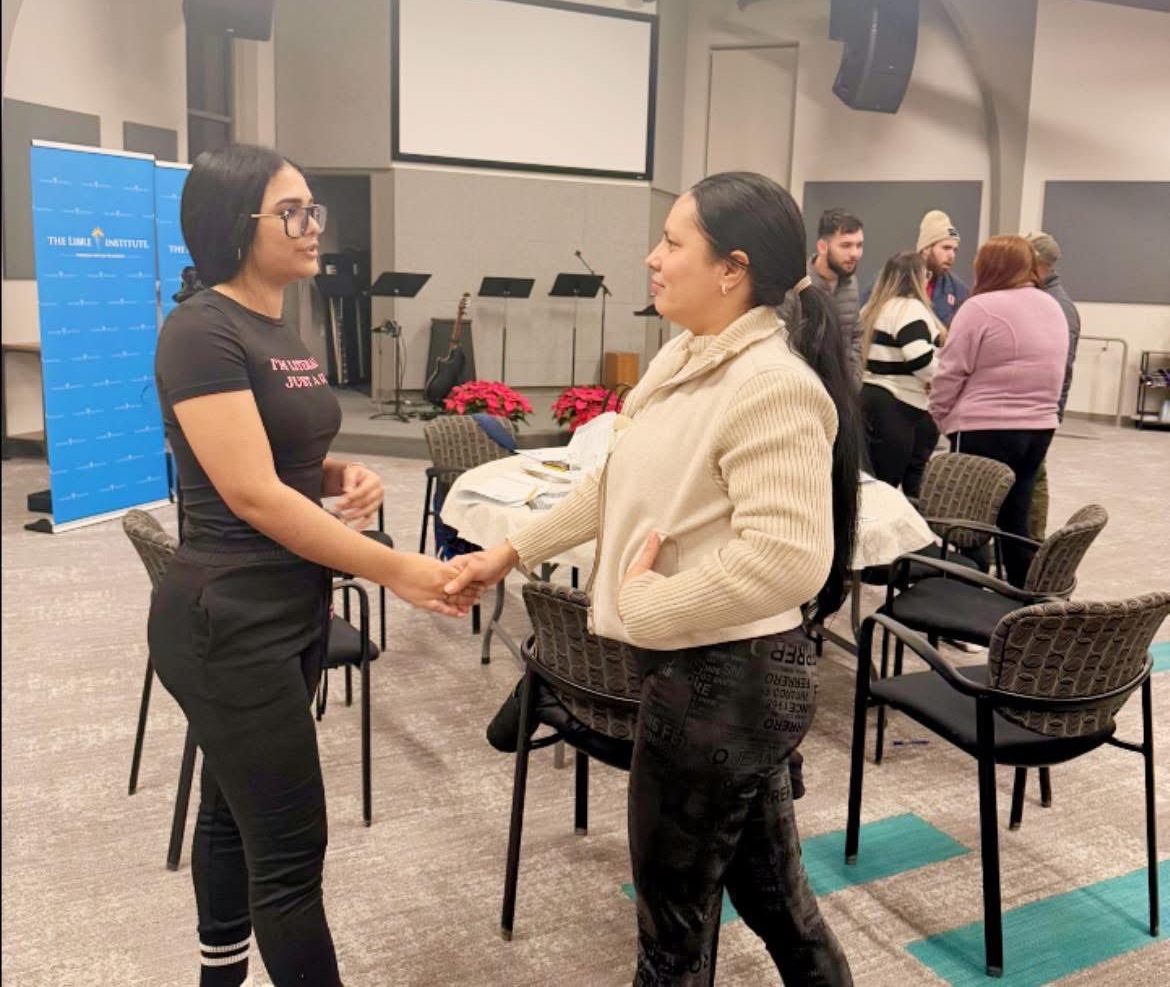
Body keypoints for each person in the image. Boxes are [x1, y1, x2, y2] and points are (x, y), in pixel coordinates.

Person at [449, 172, 859, 985]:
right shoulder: (684, 360)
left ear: (731, 268)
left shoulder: (772, 386)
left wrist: (643, 604)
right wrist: (510, 551)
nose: (653, 256)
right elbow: (615, 482)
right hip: (709, 677)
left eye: (673, 242)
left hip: (725, 683)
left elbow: (789, 559)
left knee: (672, 937)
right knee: (779, 906)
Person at [149, 144, 480, 987]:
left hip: (285, 610)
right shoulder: (200, 330)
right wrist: (392, 567)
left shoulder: (274, 326)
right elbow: (253, 495)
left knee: (233, 814)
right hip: (229, 621)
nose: (312, 227)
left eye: (312, 210)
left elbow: (277, 454)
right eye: (290, 212)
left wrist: (341, 472)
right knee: (292, 861)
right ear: (237, 226)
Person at [928, 235, 1068, 586]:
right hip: (1039, 428)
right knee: (1015, 517)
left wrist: (940, 416)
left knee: (969, 522)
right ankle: (1021, 598)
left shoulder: (980, 307)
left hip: (984, 428)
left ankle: (964, 598)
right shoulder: (1052, 306)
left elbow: (950, 370)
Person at [858, 252, 944, 498]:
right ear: (921, 277)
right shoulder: (912, 310)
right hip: (900, 407)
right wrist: (941, 374)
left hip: (868, 399)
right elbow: (918, 357)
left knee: (871, 490)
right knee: (894, 493)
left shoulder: (872, 308)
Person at [1025, 230, 1081, 539]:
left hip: (1041, 409)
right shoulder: (1043, 299)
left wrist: (1051, 412)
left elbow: (1062, 366)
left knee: (1034, 477)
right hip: (1039, 408)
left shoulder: (1058, 307)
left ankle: (1031, 541)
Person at [806, 209, 865, 380]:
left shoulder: (851, 283)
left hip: (841, 391)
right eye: (846, 245)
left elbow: (855, 334)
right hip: (804, 391)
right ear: (822, 247)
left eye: (859, 245)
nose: (854, 254)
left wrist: (853, 380)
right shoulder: (798, 285)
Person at [916, 209, 968, 326]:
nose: (951, 255)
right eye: (946, 248)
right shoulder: (896, 280)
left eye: (955, 250)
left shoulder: (959, 291)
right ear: (926, 249)